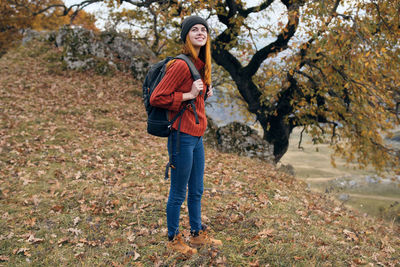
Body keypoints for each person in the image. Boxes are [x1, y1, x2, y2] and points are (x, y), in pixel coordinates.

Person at [150, 15, 222, 255]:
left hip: (197, 135)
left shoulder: (199, 64)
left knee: (197, 189)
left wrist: (202, 94)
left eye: (204, 29)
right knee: (179, 191)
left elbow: (190, 93)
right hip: (182, 135)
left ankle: (197, 234)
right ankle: (173, 239)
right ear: (186, 36)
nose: (200, 33)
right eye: (194, 30)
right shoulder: (181, 64)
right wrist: (190, 95)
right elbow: (157, 97)